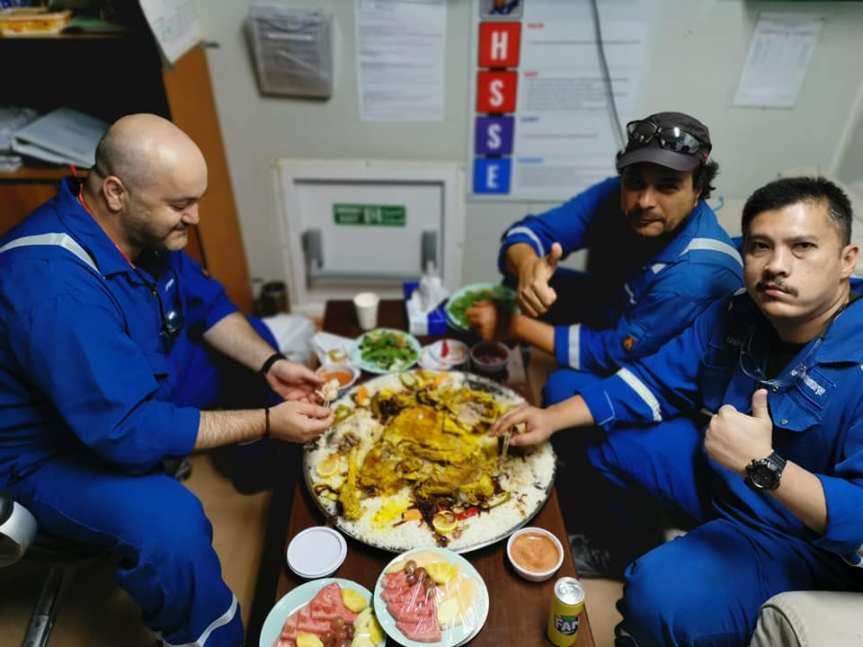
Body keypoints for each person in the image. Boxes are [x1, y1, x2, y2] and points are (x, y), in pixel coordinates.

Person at [0, 114, 333, 646]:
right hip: (48, 451)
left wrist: (271, 364)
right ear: (116, 192)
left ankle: (262, 478)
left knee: (257, 354)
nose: (195, 218)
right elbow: (127, 430)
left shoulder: (140, 228)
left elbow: (206, 305)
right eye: (180, 205)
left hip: (133, 383)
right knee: (171, 525)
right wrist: (267, 423)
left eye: (196, 200)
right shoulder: (53, 288)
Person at [492, 176, 863, 646]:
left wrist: (765, 466)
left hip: (794, 535)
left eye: (802, 247)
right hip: (720, 473)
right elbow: (655, 380)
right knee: (571, 403)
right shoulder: (737, 311)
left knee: (656, 593)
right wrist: (549, 418)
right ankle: (615, 545)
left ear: (847, 260)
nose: (776, 266)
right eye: (760, 246)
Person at [468, 112, 743, 404]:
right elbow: (532, 232)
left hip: (663, 365)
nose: (645, 201)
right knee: (516, 284)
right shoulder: (615, 194)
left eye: (667, 186)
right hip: (619, 305)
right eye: (635, 182)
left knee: (562, 388)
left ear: (698, 190)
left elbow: (614, 351)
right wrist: (527, 266)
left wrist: (514, 326)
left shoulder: (695, 273)